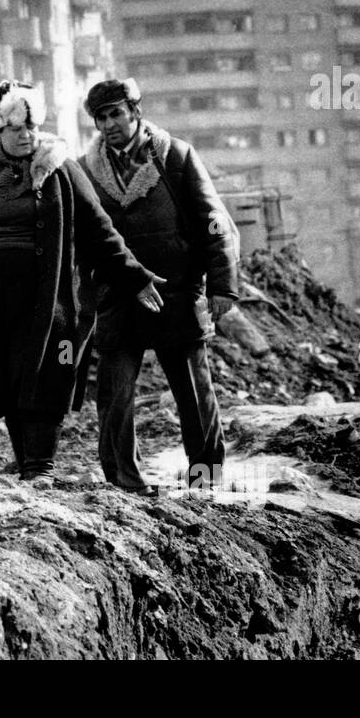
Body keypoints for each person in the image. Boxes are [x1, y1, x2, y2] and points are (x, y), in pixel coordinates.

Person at [0, 80, 164, 486]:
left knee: (45, 373)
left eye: (31, 127)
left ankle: (41, 465)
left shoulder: (60, 170)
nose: (26, 136)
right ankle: (26, 463)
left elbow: (100, 231)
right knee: (5, 377)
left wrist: (134, 276)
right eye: (16, 129)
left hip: (47, 300)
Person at [77, 78, 240, 494]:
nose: (110, 123)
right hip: (118, 296)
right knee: (115, 396)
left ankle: (207, 480)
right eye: (101, 117)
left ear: (135, 111)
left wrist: (222, 287)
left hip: (177, 291)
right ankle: (124, 483)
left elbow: (215, 223)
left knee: (193, 390)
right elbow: (82, 239)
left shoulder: (177, 158)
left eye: (117, 112)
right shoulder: (85, 172)